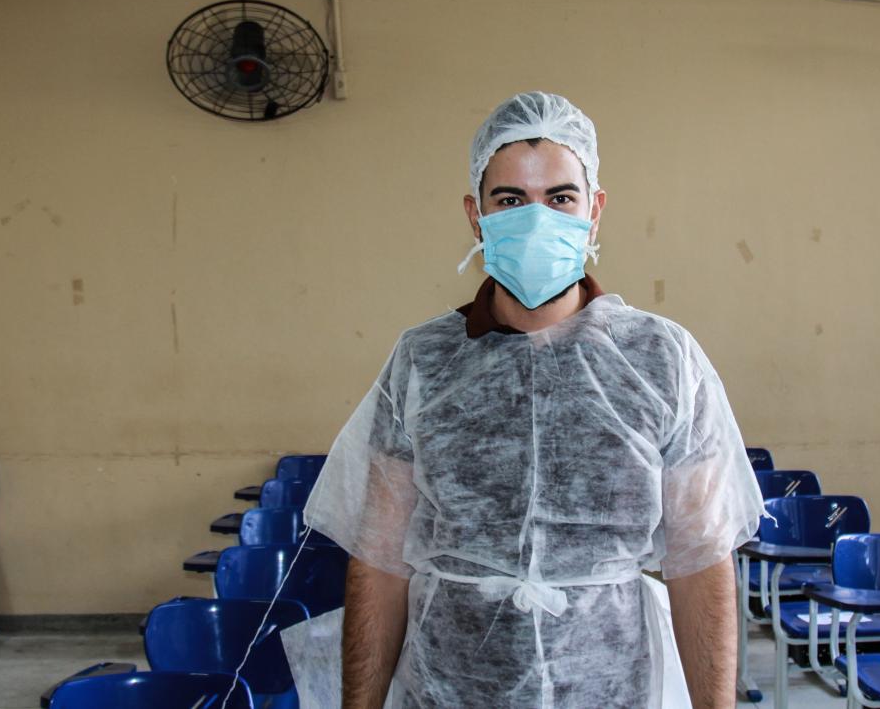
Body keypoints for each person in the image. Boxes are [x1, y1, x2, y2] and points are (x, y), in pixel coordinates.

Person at [303, 92, 764, 708]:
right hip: (450, 688)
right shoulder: (424, 361)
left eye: (561, 197)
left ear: (594, 211)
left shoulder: (662, 359)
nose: (538, 219)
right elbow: (380, 563)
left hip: (610, 689)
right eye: (511, 200)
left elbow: (700, 563)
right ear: (476, 215)